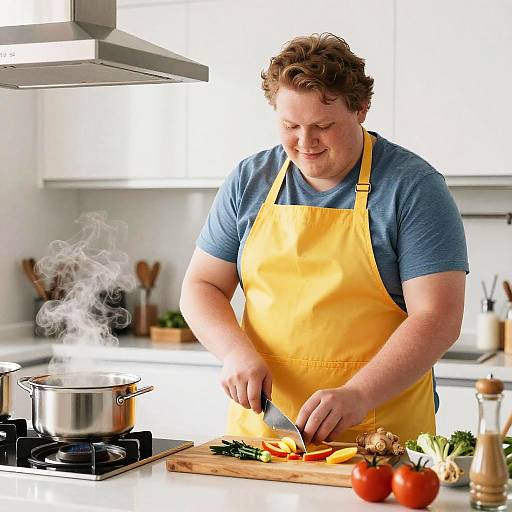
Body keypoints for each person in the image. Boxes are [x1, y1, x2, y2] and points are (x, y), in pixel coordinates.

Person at [180, 33, 468, 445]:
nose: (304, 142)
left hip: (378, 436)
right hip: (264, 433)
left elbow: (438, 318)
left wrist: (359, 394)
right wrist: (234, 352)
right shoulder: (249, 180)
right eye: (289, 125)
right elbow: (200, 286)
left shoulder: (413, 187)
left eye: (323, 126)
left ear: (361, 109)